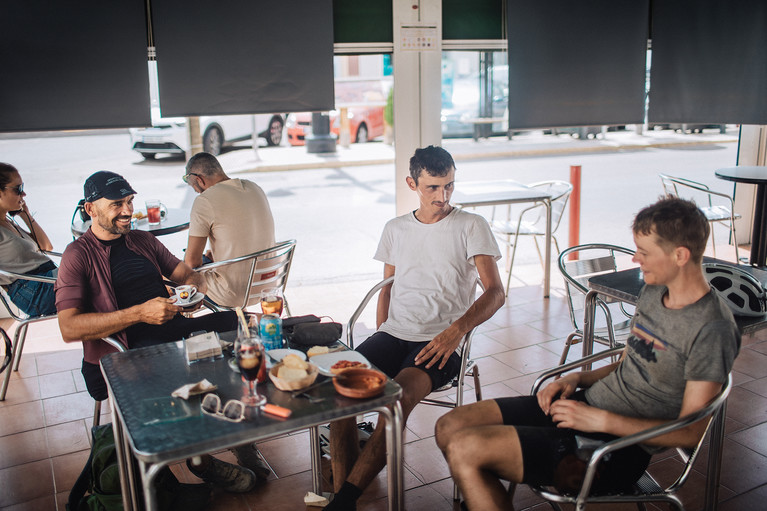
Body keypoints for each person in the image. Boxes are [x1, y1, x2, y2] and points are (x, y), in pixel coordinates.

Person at [434, 196, 741, 511]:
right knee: (449, 427)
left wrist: (602, 420)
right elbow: (630, 360)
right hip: (585, 408)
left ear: (680, 255)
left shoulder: (712, 329)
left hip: (618, 449)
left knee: (466, 450)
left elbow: (689, 432)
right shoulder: (653, 291)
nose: (636, 259)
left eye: (645, 252)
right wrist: (579, 377)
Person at [54, 171, 264, 493]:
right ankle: (202, 462)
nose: (127, 211)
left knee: (242, 325)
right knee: (175, 370)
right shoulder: (77, 255)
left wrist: (190, 294)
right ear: (90, 209)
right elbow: (68, 326)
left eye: (129, 202)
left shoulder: (143, 240)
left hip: (172, 331)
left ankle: (238, 433)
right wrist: (139, 313)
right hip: (122, 352)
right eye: (116, 205)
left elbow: (187, 275)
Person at [324, 146, 506, 511]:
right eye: (433, 188)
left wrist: (455, 333)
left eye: (449, 186)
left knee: (397, 400)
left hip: (442, 341)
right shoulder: (395, 228)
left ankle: (343, 501)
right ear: (412, 183)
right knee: (339, 396)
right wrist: (379, 336)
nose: (443, 197)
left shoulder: (471, 225)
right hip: (393, 333)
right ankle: (345, 494)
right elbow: (387, 288)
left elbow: (496, 293)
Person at [183, 152, 275, 307]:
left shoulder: (205, 200)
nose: (198, 193)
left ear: (199, 180)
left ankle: (187, 328)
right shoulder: (255, 187)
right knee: (206, 260)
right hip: (269, 284)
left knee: (177, 272)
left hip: (234, 293)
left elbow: (192, 262)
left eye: (196, 188)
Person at [0, 163, 58, 317]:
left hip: (47, 280)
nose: (23, 194)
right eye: (17, 189)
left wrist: (25, 214)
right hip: (34, 292)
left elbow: (46, 246)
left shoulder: (8, 222)